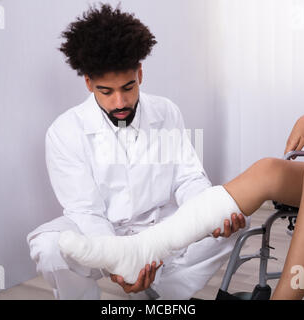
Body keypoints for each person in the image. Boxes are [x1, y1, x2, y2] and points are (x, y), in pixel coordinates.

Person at [26, 3, 247, 300]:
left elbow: (188, 179)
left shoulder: (166, 111)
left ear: (140, 74)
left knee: (228, 226)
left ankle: (160, 295)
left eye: (128, 87)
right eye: (107, 91)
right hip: (102, 233)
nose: (120, 101)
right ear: (89, 83)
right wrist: (120, 261)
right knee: (48, 246)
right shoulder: (64, 132)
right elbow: (86, 211)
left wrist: (210, 214)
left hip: (160, 228)